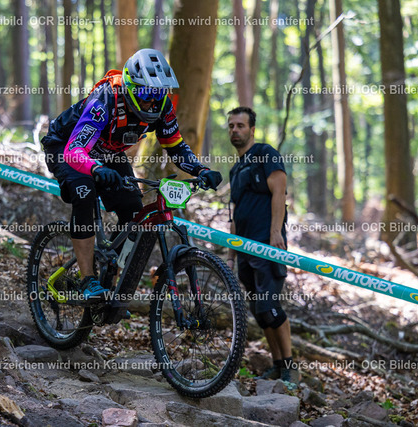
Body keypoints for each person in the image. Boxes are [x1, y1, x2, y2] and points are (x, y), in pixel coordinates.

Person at [42, 49, 222, 299]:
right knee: (85, 193)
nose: (153, 100)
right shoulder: (105, 100)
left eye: (160, 93)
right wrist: (96, 168)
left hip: (108, 152)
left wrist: (201, 170)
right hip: (64, 146)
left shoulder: (161, 106)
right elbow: (75, 150)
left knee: (134, 211)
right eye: (147, 92)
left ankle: (110, 279)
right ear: (130, 88)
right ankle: (86, 280)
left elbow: (175, 145)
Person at [225, 106, 299, 386]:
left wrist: (275, 234)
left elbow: (279, 193)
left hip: (267, 245)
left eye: (240, 126)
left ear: (252, 129)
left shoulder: (266, 154)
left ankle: (291, 368)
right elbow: (234, 214)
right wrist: (231, 256)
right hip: (244, 251)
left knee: (269, 306)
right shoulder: (235, 169)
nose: (235, 130)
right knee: (259, 311)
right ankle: (278, 365)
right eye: (231, 126)